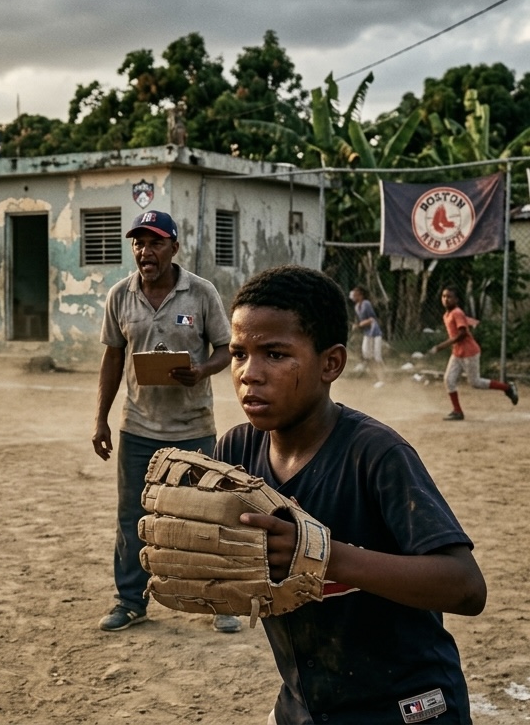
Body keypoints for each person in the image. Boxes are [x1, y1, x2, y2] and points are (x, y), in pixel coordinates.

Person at [216, 265, 486, 724]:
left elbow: (465, 587)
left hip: (405, 706)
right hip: (308, 705)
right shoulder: (236, 451)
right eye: (239, 354)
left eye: (275, 354)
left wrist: (321, 555)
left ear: (331, 363)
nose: (250, 374)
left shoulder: (376, 454)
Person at [91, 210, 240, 633]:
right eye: (138, 243)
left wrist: (201, 370)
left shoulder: (201, 293)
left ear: (174, 247)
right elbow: (113, 358)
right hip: (137, 427)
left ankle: (218, 601)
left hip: (193, 427)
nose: (145, 251)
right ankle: (129, 601)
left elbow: (227, 348)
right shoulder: (120, 295)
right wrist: (100, 419)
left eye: (155, 242)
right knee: (131, 517)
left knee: (204, 516)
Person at [428, 285, 517, 420]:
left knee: (475, 382)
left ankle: (507, 388)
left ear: (456, 300)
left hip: (469, 352)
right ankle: (457, 411)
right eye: (444, 296)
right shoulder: (447, 315)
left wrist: (440, 346)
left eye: (449, 297)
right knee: (449, 379)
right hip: (458, 352)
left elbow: (462, 334)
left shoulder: (457, 312)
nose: (446, 299)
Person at [348, 285, 385, 386]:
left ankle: (382, 379)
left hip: (375, 333)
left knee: (377, 356)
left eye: (355, 294)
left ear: (360, 295)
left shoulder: (366, 304)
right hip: (367, 333)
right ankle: (375, 377)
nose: (352, 296)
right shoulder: (357, 307)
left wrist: (360, 325)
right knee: (366, 354)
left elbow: (372, 319)